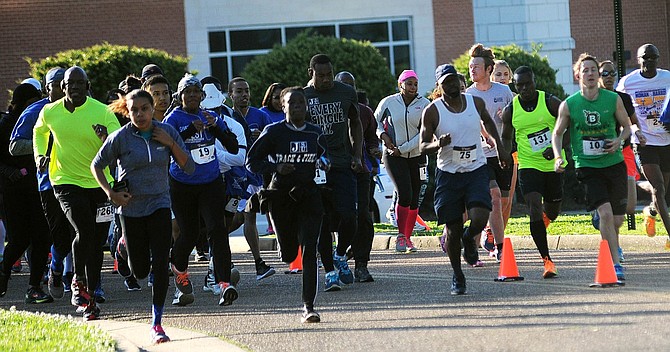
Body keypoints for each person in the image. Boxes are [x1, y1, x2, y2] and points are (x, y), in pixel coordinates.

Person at [92, 89, 193, 343]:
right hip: (131, 209)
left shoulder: (166, 132)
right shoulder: (121, 138)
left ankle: (157, 323)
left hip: (159, 204)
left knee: (160, 265)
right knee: (139, 271)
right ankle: (123, 245)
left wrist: (170, 144)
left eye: (144, 108)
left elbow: (189, 166)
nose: (140, 114)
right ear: (128, 111)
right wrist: (111, 194)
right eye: (134, 109)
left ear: (152, 108)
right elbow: (97, 165)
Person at [33, 66, 122, 320]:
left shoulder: (102, 111)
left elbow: (118, 140)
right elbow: (39, 132)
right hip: (65, 180)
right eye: (69, 83)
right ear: (62, 87)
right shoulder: (50, 111)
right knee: (83, 229)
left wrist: (105, 138)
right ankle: (79, 282)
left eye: (79, 83)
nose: (74, 87)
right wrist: (41, 154)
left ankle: (90, 295)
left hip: (101, 183)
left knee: (96, 240)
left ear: (87, 85)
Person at [420, 64, 511, 295]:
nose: (451, 85)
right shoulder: (432, 111)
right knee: (452, 228)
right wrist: (437, 144)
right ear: (439, 86)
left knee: (480, 215)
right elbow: (423, 145)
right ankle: (457, 275)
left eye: (454, 81)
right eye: (446, 82)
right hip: (449, 174)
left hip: (476, 169)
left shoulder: (474, 102)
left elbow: (489, 122)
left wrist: (499, 147)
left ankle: (470, 238)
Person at [247, 86, 329, 323]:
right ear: (283, 107)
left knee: (310, 249)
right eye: (291, 103)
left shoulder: (314, 132)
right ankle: (287, 248)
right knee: (290, 253)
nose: (297, 107)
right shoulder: (274, 132)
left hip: (308, 195)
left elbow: (325, 155)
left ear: (307, 106)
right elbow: (251, 161)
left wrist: (324, 164)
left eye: (301, 103)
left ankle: (309, 306)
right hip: (281, 196)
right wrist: (276, 167)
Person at [552, 53, 632, 281]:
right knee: (606, 214)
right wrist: (559, 157)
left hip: (614, 164)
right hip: (587, 166)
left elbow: (626, 126)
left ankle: (605, 231)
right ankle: (615, 264)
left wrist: (619, 140)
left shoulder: (612, 99)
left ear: (598, 75)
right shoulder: (570, 104)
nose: (589, 74)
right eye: (585, 70)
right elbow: (557, 134)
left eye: (593, 70)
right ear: (578, 74)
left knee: (617, 220)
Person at [162, 74, 239, 307]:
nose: (193, 96)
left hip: (211, 182)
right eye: (188, 92)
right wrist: (187, 133)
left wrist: (215, 127)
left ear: (202, 96)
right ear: (180, 96)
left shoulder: (210, 116)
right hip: (182, 184)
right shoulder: (173, 119)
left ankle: (224, 283)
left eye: (197, 92)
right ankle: (180, 269)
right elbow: (164, 150)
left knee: (217, 229)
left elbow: (233, 146)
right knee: (189, 234)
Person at [9, 68, 74, 300]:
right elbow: (15, 146)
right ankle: (38, 282)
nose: (63, 88)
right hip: (48, 184)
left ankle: (87, 285)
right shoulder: (36, 111)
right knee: (49, 237)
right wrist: (47, 147)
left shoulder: (83, 109)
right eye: (56, 84)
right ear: (47, 89)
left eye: (65, 83)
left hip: (80, 181)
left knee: (84, 232)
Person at [200, 81, 272, 288]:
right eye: (208, 108)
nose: (212, 111)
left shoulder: (233, 125)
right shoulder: (197, 124)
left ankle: (217, 272)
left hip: (235, 184)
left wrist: (216, 155)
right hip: (207, 184)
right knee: (215, 229)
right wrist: (220, 157)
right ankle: (216, 273)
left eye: (215, 107)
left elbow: (240, 158)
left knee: (227, 225)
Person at [304, 54, 363, 291]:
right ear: (311, 74)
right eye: (321, 75)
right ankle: (329, 272)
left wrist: (357, 155)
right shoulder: (302, 97)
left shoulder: (345, 92)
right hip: (315, 168)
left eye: (329, 74)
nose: (327, 79)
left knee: (350, 216)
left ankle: (340, 255)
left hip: (341, 162)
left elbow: (356, 122)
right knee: (323, 223)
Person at [500, 66, 564, 278]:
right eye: (520, 85)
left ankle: (541, 226)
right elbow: (507, 137)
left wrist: (556, 149)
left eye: (528, 83)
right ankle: (547, 261)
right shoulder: (511, 109)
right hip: (528, 164)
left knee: (552, 210)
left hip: (553, 163)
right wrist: (506, 155)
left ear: (534, 82)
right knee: (534, 207)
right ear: (515, 86)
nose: (524, 88)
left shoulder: (550, 102)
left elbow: (568, 126)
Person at [0, 83, 51, 303]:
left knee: (41, 237)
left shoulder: (41, 121)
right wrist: (10, 172)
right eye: (32, 101)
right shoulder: (6, 124)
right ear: (22, 102)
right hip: (14, 190)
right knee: (19, 238)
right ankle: (3, 273)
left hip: (38, 186)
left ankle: (34, 287)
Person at [465, 44, 514, 263]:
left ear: (488, 69)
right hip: (480, 155)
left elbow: (516, 120)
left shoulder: (503, 92)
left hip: (503, 154)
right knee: (493, 198)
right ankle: (500, 247)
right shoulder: (468, 94)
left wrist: (508, 117)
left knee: (501, 203)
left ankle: (486, 235)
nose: (472, 70)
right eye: (470, 67)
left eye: (476, 66)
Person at [617, 44, 670, 242]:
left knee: (663, 189)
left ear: (658, 58)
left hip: (667, 142)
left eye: (653, 57)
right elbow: (618, 106)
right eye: (644, 57)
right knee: (659, 188)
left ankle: (650, 211)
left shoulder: (667, 78)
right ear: (638, 59)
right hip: (644, 142)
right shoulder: (628, 82)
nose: (649, 61)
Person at [225, 77, 276, 280]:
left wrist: (260, 136)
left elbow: (273, 138)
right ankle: (213, 248)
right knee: (235, 218)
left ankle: (259, 263)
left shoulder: (260, 115)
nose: (244, 94)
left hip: (255, 175)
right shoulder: (227, 116)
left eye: (246, 90)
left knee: (249, 215)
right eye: (238, 91)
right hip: (234, 175)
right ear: (230, 95)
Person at [374, 69, 430, 253]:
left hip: (416, 155)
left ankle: (408, 238)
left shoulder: (424, 104)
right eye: (409, 83)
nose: (413, 87)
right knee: (404, 193)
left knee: (414, 198)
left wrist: (403, 149)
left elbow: (424, 133)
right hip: (392, 156)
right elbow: (375, 122)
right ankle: (401, 237)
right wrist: (384, 137)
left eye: (415, 84)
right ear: (400, 85)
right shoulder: (389, 102)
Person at [334, 71, 381, 282]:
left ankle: (362, 264)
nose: (348, 90)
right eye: (343, 85)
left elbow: (372, 139)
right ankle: (338, 255)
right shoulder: (329, 111)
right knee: (340, 217)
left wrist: (373, 151)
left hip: (361, 170)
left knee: (364, 215)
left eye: (351, 86)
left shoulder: (365, 111)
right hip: (334, 171)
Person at [598, 60, 646, 259]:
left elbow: (632, 123)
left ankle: (601, 217)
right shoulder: (594, 99)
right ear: (599, 77)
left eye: (612, 74)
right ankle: (614, 248)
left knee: (628, 206)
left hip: (624, 151)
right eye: (605, 74)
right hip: (602, 154)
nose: (609, 77)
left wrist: (638, 133)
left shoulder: (623, 98)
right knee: (609, 211)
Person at [491, 59, 518, 230]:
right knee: (495, 197)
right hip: (489, 152)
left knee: (507, 199)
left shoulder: (515, 98)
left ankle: (499, 236)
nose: (502, 78)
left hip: (512, 151)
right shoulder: (480, 96)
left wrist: (509, 119)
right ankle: (490, 231)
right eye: (498, 74)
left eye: (506, 74)